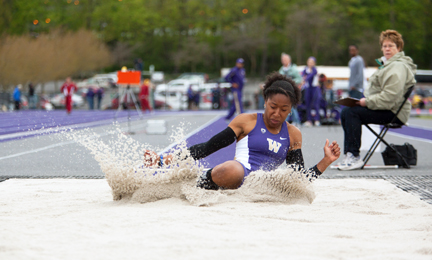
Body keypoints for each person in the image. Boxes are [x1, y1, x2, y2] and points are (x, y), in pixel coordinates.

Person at [143, 73, 341, 190]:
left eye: (284, 110)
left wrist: (325, 161)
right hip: (236, 174)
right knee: (232, 169)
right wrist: (162, 160)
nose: (276, 113)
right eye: (273, 106)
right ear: (265, 102)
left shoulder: (293, 134)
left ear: (291, 110)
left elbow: (298, 181)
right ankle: (194, 184)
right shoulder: (246, 121)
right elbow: (207, 147)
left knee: (286, 182)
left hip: (263, 185)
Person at [338, 30, 417, 170]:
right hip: (384, 107)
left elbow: (390, 98)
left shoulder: (398, 67)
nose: (387, 49)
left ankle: (354, 156)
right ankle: (349, 154)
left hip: (393, 112)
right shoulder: (386, 65)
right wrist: (361, 100)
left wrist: (365, 102)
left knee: (351, 112)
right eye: (384, 46)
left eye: (391, 46)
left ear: (398, 48)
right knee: (346, 111)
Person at [278, 53, 302, 126]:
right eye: (283, 60)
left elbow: (299, 79)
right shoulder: (281, 69)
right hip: (284, 90)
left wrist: (291, 82)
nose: (284, 61)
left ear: (289, 60)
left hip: (292, 89)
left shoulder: (293, 69)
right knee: (288, 105)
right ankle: (289, 121)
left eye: (285, 59)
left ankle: (294, 121)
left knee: (290, 105)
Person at [302, 57, 321, 127]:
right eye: (309, 62)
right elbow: (302, 75)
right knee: (308, 104)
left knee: (315, 103)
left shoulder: (314, 70)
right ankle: (309, 120)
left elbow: (310, 76)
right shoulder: (305, 69)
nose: (310, 63)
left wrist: (305, 78)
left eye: (311, 62)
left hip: (314, 88)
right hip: (308, 88)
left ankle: (316, 120)